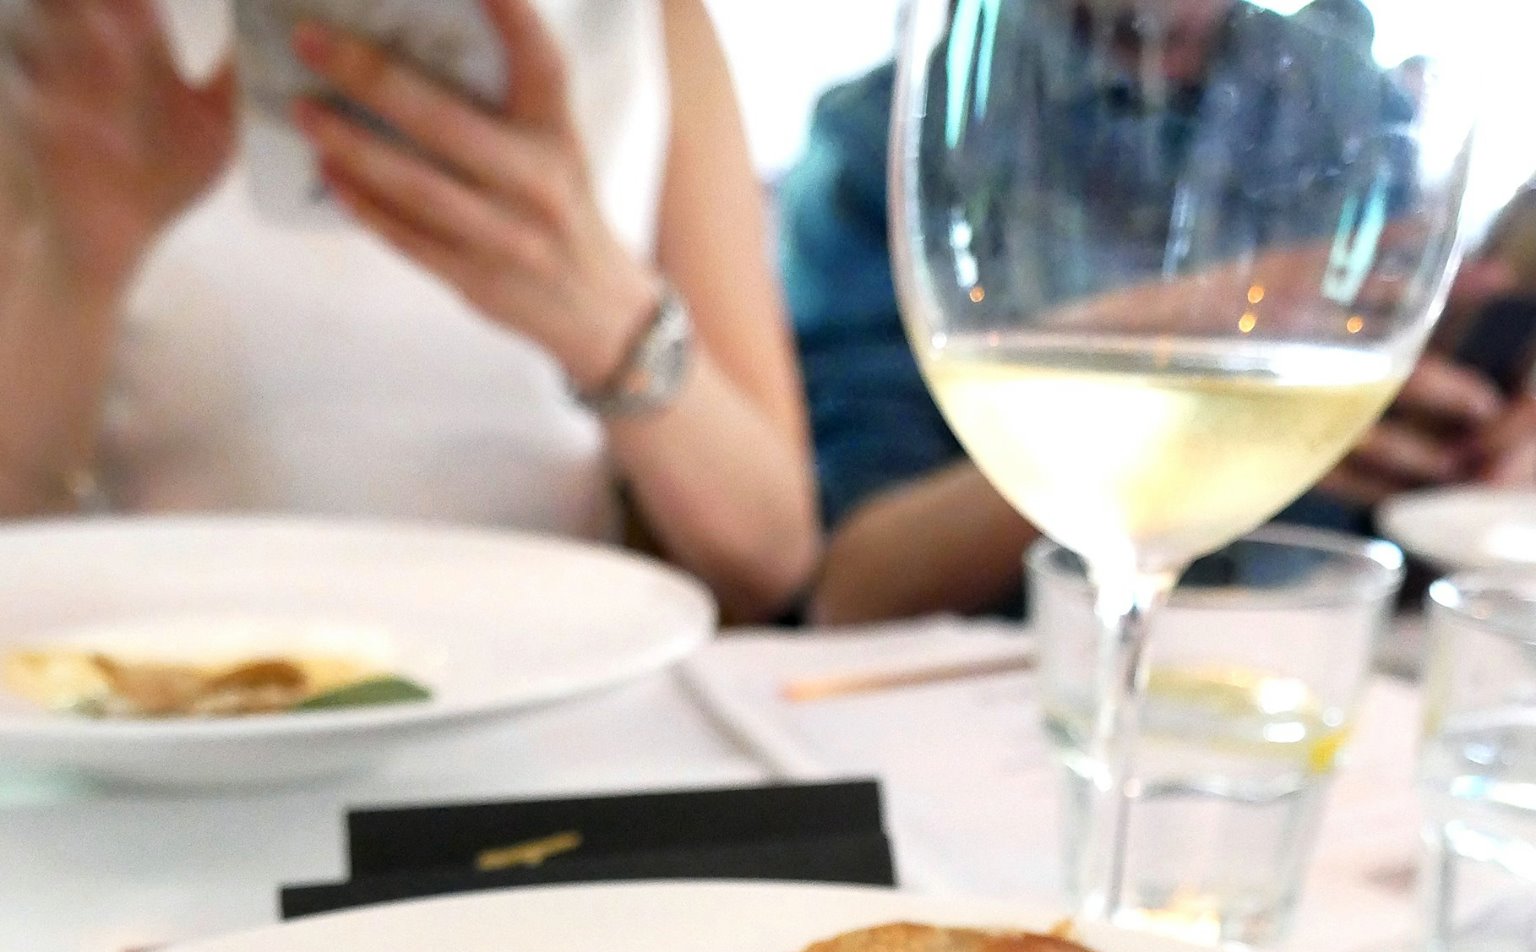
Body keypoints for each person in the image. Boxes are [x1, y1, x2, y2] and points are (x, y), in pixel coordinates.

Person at [0, 0, 818, 622]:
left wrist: (602, 314)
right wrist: (79, 271)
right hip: (155, 711)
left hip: (549, 716)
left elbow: (772, 557)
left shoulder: (651, 28)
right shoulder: (74, 52)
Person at [777, 50, 1536, 626]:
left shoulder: (1353, 102)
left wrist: (1480, 438)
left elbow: (1407, 518)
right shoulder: (897, 131)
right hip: (1003, 695)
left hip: (1317, 678)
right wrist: (1189, 354)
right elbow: (850, 589)